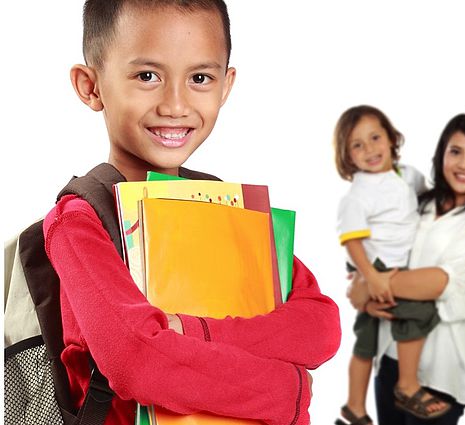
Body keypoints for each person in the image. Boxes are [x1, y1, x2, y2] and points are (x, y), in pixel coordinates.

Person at [43, 1, 340, 424]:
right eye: (147, 76)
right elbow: (139, 362)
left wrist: (189, 331)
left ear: (226, 85)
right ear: (91, 86)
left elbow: (319, 327)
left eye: (200, 78)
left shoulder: (227, 206)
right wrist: (287, 391)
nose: (176, 105)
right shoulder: (78, 221)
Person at [349, 112, 465, 424]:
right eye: (456, 151)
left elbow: (440, 282)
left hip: (442, 371)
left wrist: (367, 285)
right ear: (442, 155)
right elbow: (384, 249)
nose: (464, 164)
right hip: (391, 355)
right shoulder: (420, 202)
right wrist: (364, 287)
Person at [332, 105, 448, 425]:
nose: (369, 149)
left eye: (375, 138)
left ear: (390, 138)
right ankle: (403, 387)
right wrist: (371, 278)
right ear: (347, 155)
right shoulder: (358, 194)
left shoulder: (407, 175)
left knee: (368, 342)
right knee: (415, 316)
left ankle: (355, 408)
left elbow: (428, 203)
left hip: (401, 267)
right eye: (357, 145)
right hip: (378, 268)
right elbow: (352, 241)